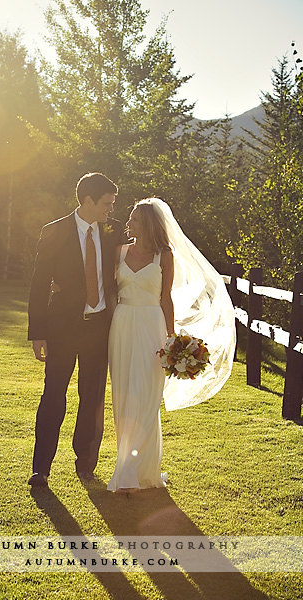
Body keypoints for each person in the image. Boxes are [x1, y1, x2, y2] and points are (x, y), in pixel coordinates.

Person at [107, 198, 236, 493]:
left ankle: (131, 470)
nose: (128, 224)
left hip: (152, 325)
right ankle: (131, 465)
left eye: (134, 219)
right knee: (124, 395)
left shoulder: (165, 256)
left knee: (147, 396)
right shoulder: (119, 252)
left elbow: (166, 298)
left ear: (148, 224)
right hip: (122, 324)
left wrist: (171, 339)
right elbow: (110, 292)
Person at [27, 173, 125, 488]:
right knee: (54, 394)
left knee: (93, 397)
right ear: (88, 201)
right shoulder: (53, 231)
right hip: (61, 329)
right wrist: (37, 332)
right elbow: (39, 284)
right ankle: (40, 469)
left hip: (100, 328)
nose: (110, 210)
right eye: (106, 204)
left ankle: (86, 465)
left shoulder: (114, 230)